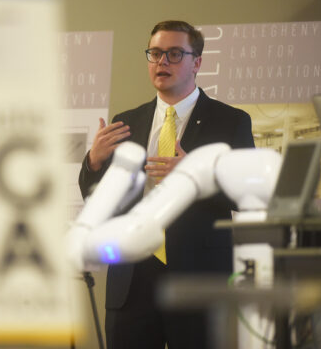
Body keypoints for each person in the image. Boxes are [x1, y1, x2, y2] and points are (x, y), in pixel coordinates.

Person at [78, 20, 255, 349]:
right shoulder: (127, 122)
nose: (162, 62)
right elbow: (100, 198)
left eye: (174, 54)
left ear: (197, 62)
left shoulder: (230, 121)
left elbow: (248, 196)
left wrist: (199, 178)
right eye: (156, 53)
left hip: (198, 280)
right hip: (132, 280)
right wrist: (94, 162)